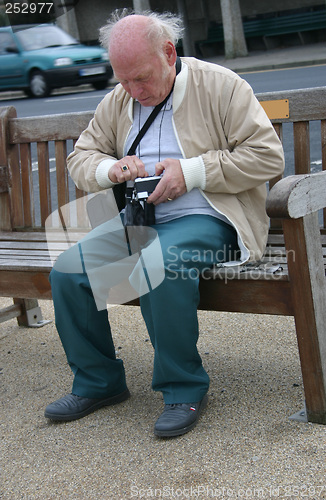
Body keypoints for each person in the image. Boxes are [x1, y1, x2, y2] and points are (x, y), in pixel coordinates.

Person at [44, 9, 285, 437]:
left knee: (159, 263)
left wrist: (190, 173)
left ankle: (183, 388)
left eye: (141, 78)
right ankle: (99, 382)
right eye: (123, 81)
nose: (133, 91)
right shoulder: (119, 100)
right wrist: (112, 169)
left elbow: (267, 156)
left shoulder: (222, 86)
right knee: (67, 272)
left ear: (169, 53)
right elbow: (81, 157)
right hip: (140, 221)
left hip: (211, 218)